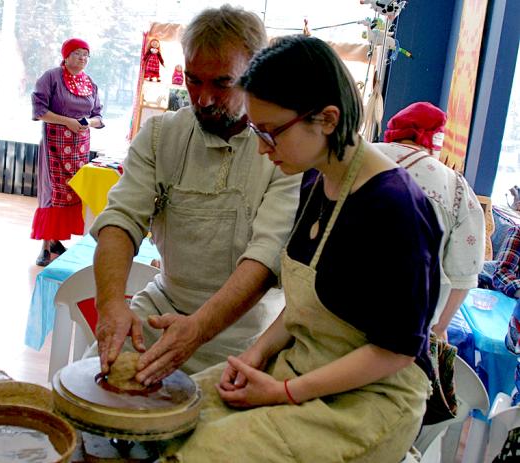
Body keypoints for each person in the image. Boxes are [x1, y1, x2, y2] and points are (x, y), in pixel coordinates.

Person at [162, 35, 443, 461]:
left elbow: (396, 351)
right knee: (168, 418)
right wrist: (254, 356)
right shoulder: (314, 178)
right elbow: (305, 311)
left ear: (327, 119)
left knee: (197, 454)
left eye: (271, 133)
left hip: (367, 400)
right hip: (302, 368)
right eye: (257, 131)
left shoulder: (394, 207)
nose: (260, 147)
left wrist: (284, 392)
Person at [91, 5, 301, 385]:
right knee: (89, 387)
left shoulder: (285, 150)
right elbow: (120, 222)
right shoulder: (159, 137)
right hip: (162, 310)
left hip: (248, 330)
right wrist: (110, 306)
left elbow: (265, 258)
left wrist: (198, 330)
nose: (202, 98)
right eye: (192, 80)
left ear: (256, 73)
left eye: (221, 83)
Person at [376, 102, 485, 339]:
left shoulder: (356, 157)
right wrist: (439, 329)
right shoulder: (456, 188)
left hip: (329, 312)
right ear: (436, 139)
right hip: (404, 332)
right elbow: (464, 275)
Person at [31, 38, 104, 266]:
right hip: (54, 146)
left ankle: (55, 240)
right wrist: (68, 122)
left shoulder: (90, 83)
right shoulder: (51, 78)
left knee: (73, 193)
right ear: (66, 55)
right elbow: (39, 110)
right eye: (77, 54)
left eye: (86, 55)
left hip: (79, 147)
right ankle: (44, 245)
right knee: (51, 193)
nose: (82, 59)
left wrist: (86, 123)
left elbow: (99, 116)